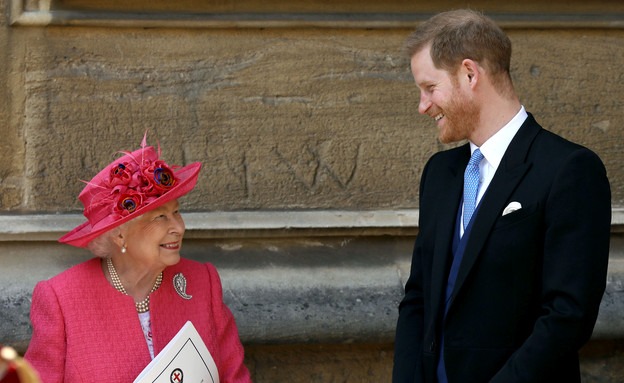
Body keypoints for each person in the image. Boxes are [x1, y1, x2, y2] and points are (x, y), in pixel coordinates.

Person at [393, 9, 611, 383]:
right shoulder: (440, 175)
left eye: (430, 88)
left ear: (469, 73)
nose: (423, 105)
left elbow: (566, 316)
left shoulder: (569, 169)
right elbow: (418, 300)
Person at [25, 132, 252, 383]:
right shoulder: (61, 298)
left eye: (176, 212)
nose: (178, 227)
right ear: (120, 235)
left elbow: (235, 378)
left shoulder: (202, 282)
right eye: (160, 217)